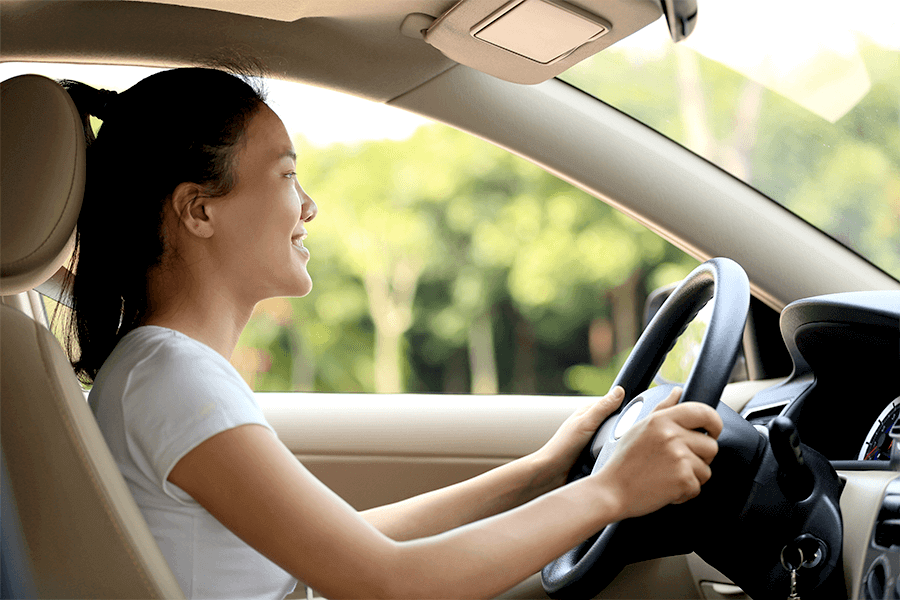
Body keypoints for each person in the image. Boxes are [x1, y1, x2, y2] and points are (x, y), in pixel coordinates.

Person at [61, 66, 724, 600]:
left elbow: (342, 547)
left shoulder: (160, 370)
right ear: (199, 209)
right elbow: (382, 581)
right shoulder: (172, 378)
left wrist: (540, 473)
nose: (309, 206)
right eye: (288, 175)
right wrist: (609, 490)